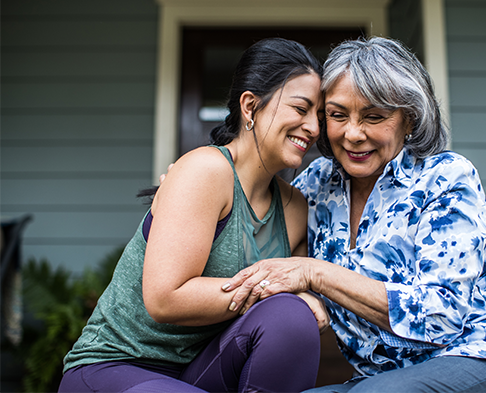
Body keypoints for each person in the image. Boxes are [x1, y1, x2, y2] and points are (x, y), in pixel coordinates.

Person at [221, 37, 486, 392]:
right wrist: (194, 188)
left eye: (374, 116)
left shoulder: (445, 177)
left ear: (409, 119)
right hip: (381, 380)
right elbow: (259, 245)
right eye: (337, 115)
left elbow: (441, 316)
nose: (353, 134)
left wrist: (316, 274)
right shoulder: (314, 186)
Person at [57, 37, 329, 393]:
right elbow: (166, 298)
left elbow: (299, 302)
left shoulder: (294, 208)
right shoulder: (206, 171)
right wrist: (274, 290)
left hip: (203, 370)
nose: (313, 127)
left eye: (319, 116)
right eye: (300, 108)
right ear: (250, 106)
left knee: (291, 319)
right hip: (117, 365)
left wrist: (306, 299)